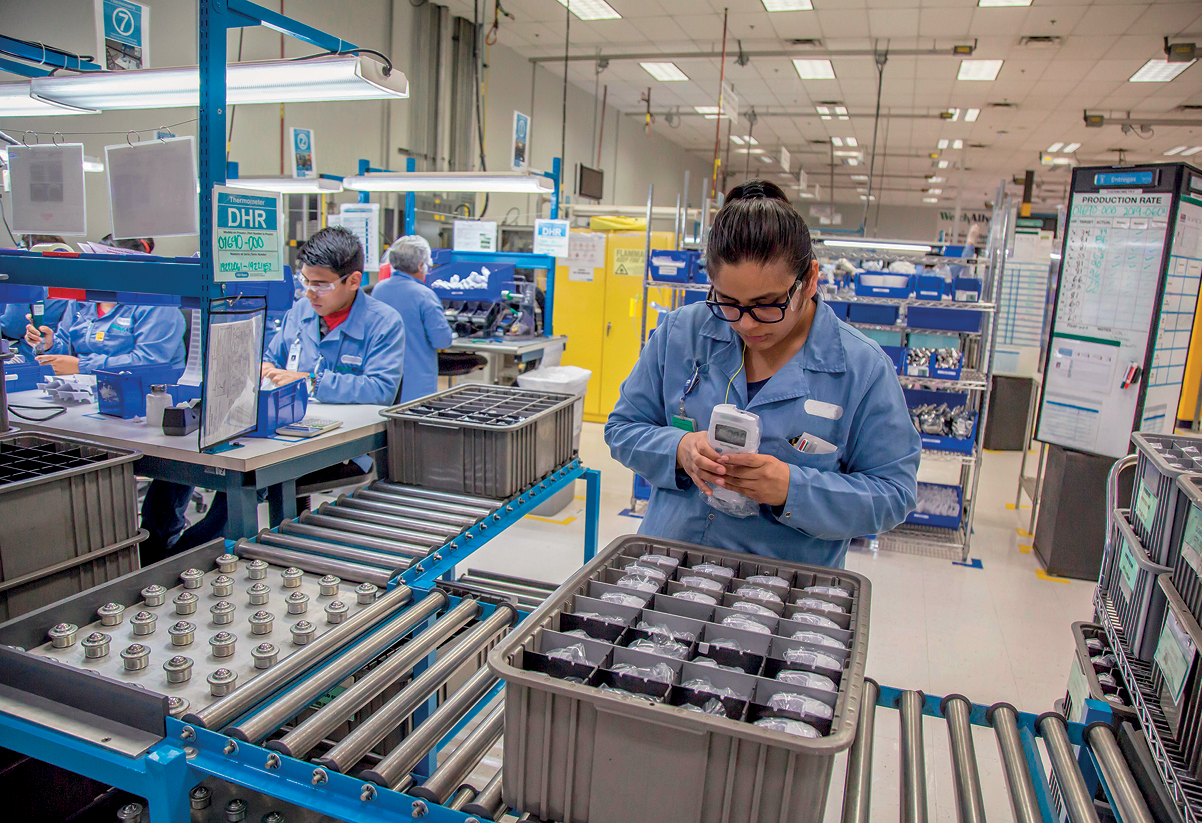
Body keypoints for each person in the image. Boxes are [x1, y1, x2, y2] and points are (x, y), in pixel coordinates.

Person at [605, 180, 920, 568]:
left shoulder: (862, 368)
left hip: (784, 591)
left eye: (767, 304)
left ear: (810, 279)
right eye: (729, 303)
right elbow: (622, 427)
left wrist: (792, 488)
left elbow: (894, 494)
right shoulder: (682, 333)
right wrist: (679, 450)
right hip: (669, 567)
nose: (747, 324)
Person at [140, 226, 405, 561]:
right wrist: (259, 366)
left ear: (353, 280)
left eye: (321, 284)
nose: (310, 293)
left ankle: (177, 563)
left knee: (237, 486)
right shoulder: (301, 312)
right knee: (179, 465)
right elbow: (273, 357)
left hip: (337, 445)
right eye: (305, 281)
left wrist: (311, 380)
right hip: (279, 425)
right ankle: (150, 547)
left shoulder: (384, 323)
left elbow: (381, 390)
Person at [371, 235, 453, 401]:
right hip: (415, 386)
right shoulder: (424, 296)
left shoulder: (378, 290)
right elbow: (442, 341)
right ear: (421, 265)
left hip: (383, 380)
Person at [0, 235, 73, 358]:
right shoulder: (70, 282)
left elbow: (13, 327)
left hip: (31, 353)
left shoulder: (27, 281)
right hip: (54, 350)